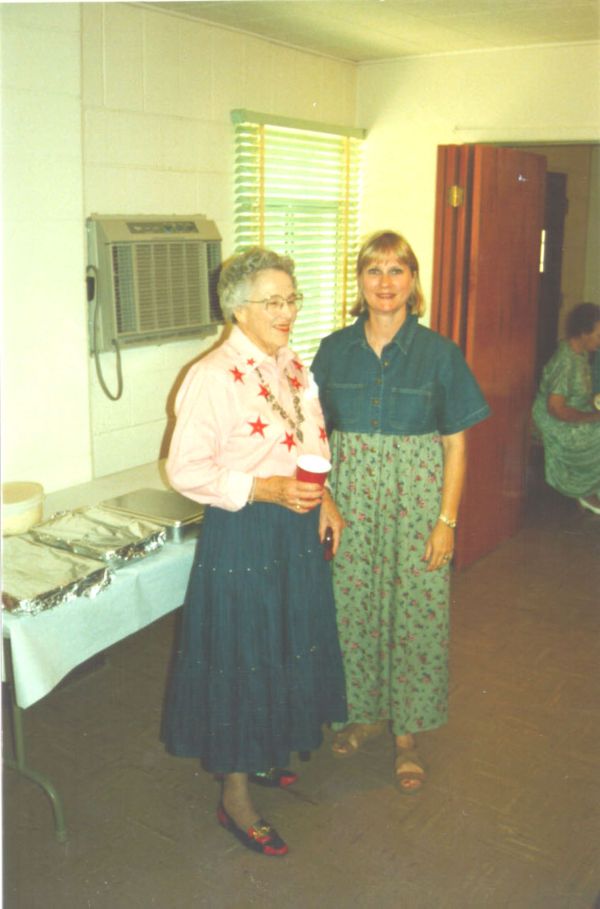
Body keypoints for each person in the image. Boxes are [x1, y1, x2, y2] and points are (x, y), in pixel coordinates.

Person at [163, 247, 347, 856]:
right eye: (273, 302)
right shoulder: (213, 376)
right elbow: (184, 470)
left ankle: (263, 753)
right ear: (238, 308)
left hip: (295, 525)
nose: (287, 311)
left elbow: (310, 438)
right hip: (244, 530)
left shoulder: (291, 362)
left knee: (283, 644)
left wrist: (325, 499)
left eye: (292, 299)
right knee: (243, 654)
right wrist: (265, 489)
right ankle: (235, 797)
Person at [311, 230, 489, 794]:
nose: (384, 282)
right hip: (351, 507)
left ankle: (407, 734)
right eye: (374, 270)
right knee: (351, 612)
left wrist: (446, 522)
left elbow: (456, 445)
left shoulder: (440, 353)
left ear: (413, 281)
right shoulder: (333, 350)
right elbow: (312, 434)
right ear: (359, 280)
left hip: (417, 508)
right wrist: (325, 500)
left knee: (416, 615)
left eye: (396, 270)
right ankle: (361, 714)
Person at [532, 302, 600, 514]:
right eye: (598, 335)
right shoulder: (565, 361)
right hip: (556, 423)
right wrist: (594, 417)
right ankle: (585, 491)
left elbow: (579, 394)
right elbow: (556, 409)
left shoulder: (581, 353)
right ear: (583, 333)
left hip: (574, 414)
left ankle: (592, 486)